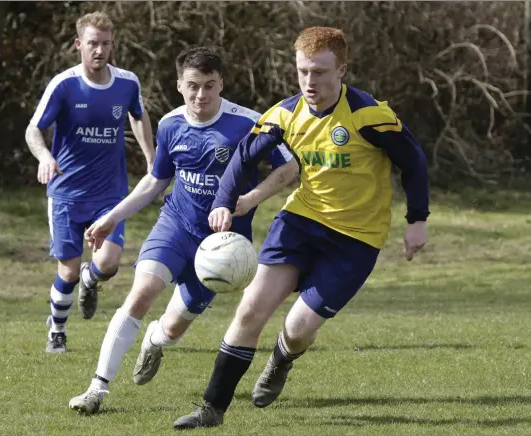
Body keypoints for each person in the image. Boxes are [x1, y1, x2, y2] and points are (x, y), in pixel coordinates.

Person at [173, 26, 430, 429]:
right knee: (250, 310)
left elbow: (413, 162)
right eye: (303, 71)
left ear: (342, 69)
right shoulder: (285, 114)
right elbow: (243, 158)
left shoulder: (368, 115)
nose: (310, 82)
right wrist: (224, 203)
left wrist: (417, 221)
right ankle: (211, 409)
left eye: (321, 72)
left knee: (298, 328)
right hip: (301, 222)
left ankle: (281, 358)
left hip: (355, 239)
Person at [68, 46, 299, 414]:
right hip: (175, 226)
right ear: (179, 85)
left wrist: (251, 199)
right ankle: (97, 389)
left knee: (173, 329)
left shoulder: (248, 124)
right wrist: (112, 217)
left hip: (221, 248)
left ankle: (155, 341)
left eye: (209, 85)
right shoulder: (171, 124)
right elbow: (156, 181)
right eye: (193, 86)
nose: (201, 95)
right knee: (140, 294)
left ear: (221, 83)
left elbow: (288, 169)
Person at [25, 11, 155, 353]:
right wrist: (44, 157)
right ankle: (57, 329)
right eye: (93, 44)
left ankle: (91, 280)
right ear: (79, 44)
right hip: (67, 193)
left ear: (113, 45)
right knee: (66, 272)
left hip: (110, 193)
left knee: (108, 264)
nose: (100, 50)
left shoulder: (127, 82)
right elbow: (33, 129)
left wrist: (152, 161)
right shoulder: (64, 84)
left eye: (106, 44)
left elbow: (139, 117)